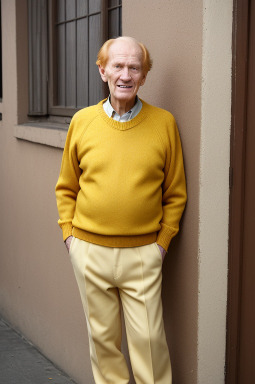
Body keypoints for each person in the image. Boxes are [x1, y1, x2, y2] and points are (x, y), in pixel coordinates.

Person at [56, 36, 187, 384]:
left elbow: (175, 193)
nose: (125, 74)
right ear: (103, 71)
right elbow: (67, 187)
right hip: (89, 253)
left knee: (149, 344)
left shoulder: (164, 124)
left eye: (134, 67)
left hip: (143, 254)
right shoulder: (82, 122)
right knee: (103, 344)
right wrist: (70, 237)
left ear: (144, 76)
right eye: (117, 65)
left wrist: (161, 243)